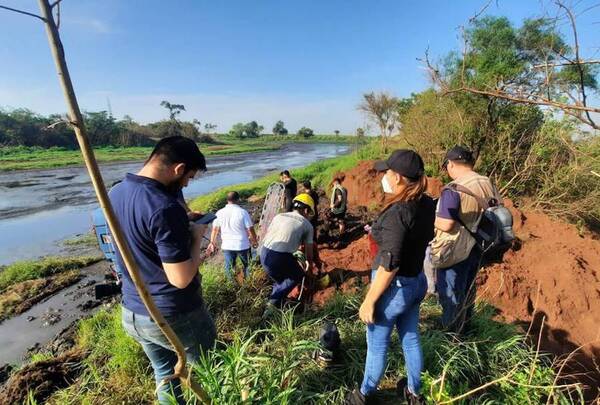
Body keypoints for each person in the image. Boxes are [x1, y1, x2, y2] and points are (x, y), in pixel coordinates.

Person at [110, 136, 216, 405]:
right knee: (214, 370)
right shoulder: (164, 207)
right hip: (173, 315)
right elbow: (180, 279)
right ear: (178, 169)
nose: (186, 184)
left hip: (134, 311)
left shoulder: (116, 192)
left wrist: (183, 221)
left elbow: (142, 234)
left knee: (165, 374)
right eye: (188, 177)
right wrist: (197, 235)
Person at [345, 150, 435, 405]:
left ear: (397, 177)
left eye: (386, 172)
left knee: (376, 344)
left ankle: (364, 394)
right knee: (410, 338)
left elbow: (390, 263)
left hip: (395, 287)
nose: (383, 176)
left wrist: (369, 300)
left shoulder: (398, 212)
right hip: (416, 281)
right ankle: (415, 393)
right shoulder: (426, 203)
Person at [431, 145, 496, 332]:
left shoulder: (453, 188)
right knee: (468, 290)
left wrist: (430, 218)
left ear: (450, 164)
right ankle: (466, 327)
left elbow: (446, 224)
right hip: (478, 245)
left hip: (455, 249)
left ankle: (451, 335)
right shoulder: (486, 181)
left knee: (450, 293)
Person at [259, 193, 315, 308]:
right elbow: (309, 253)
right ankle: (271, 305)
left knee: (282, 281)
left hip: (263, 253)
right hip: (279, 257)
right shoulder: (307, 225)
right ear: (305, 209)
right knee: (297, 275)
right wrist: (309, 269)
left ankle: (279, 300)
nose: (308, 215)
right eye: (308, 212)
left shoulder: (279, 216)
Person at [207, 191, 258, 280]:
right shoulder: (242, 212)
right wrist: (254, 241)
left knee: (229, 267)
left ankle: (231, 286)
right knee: (247, 265)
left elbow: (215, 229)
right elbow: (250, 229)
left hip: (227, 246)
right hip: (242, 245)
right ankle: (248, 283)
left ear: (227, 200)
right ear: (238, 199)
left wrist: (212, 243)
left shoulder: (219, 213)